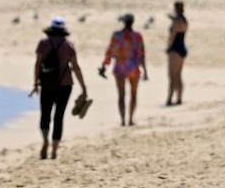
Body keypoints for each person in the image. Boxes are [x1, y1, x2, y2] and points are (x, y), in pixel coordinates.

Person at [32, 16, 87, 160]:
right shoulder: (69, 45)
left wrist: (35, 83)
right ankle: (54, 151)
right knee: (59, 117)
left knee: (45, 114)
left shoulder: (43, 44)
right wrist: (83, 87)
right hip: (65, 84)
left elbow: (37, 65)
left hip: (47, 84)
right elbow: (75, 67)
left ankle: (45, 140)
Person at [100, 12, 147, 126]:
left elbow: (110, 52)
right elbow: (141, 54)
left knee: (121, 95)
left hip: (120, 67)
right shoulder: (138, 36)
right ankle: (130, 119)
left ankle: (122, 120)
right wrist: (145, 70)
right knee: (134, 94)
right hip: (134, 68)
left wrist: (104, 65)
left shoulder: (117, 35)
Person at [165, 1, 188, 106]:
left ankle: (169, 98)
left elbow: (172, 36)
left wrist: (168, 47)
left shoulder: (176, 21)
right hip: (182, 47)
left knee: (172, 76)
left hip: (175, 48)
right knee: (178, 75)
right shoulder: (184, 20)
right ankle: (179, 98)